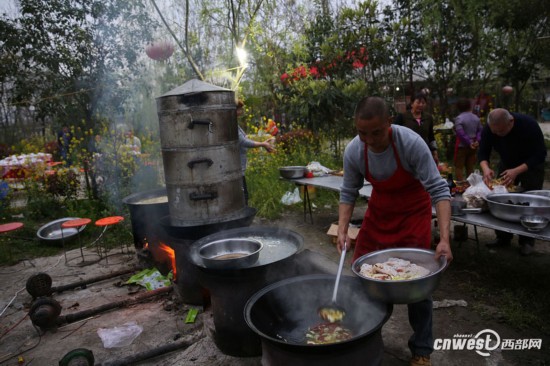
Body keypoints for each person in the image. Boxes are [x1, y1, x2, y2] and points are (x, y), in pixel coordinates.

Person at [338, 96, 452, 366]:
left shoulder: (410, 143)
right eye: (362, 133)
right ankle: (364, 339)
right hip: (379, 214)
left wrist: (445, 238)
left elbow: (439, 190)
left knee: (417, 286)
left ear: (389, 122)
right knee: (362, 278)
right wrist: (343, 229)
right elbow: (348, 192)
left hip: (413, 214)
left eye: (376, 132)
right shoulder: (355, 150)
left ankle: (422, 350)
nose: (369, 139)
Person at [478, 108, 547, 256]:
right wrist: (486, 169)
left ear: (511, 122)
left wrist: (517, 171)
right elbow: (483, 151)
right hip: (507, 163)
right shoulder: (491, 128)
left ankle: (527, 241)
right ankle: (503, 237)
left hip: (530, 166)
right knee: (501, 199)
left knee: (528, 203)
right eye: (494, 132)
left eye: (500, 132)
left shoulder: (528, 125)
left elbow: (540, 154)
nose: (497, 134)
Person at [236, 100, 275, 205]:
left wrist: (259, 142)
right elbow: (243, 142)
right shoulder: (231, 125)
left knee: (243, 194)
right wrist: (262, 144)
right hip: (236, 165)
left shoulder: (234, 123)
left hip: (239, 164)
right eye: (239, 108)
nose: (242, 110)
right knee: (243, 196)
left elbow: (242, 139)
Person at [393, 92, 439, 163]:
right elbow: (394, 133)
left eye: (423, 103)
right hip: (407, 152)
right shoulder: (402, 117)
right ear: (412, 104)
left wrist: (434, 152)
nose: (421, 105)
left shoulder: (428, 118)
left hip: (424, 150)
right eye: (418, 102)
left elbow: (431, 136)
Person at [453, 98, 482, 181]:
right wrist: (477, 141)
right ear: (470, 107)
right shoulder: (476, 118)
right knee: (470, 166)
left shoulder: (459, 118)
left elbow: (460, 133)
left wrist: (469, 142)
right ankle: (471, 185)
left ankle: (460, 185)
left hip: (462, 146)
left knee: (459, 167)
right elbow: (480, 130)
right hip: (474, 145)